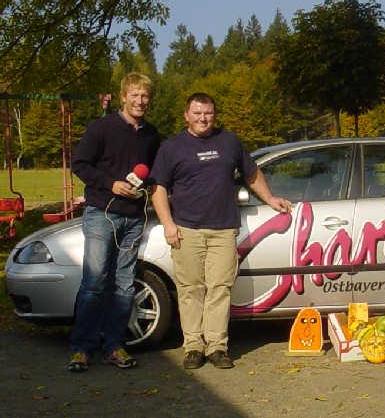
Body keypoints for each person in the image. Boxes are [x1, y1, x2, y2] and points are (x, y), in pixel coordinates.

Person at [150, 92, 291, 370]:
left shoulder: (229, 141)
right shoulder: (171, 147)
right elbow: (159, 188)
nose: (203, 118)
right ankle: (193, 346)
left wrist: (270, 198)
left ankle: (217, 347)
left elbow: (251, 174)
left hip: (224, 229)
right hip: (186, 229)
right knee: (190, 289)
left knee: (219, 289)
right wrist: (168, 224)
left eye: (208, 113)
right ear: (186, 115)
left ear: (214, 115)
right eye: (198, 113)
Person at [68, 72, 160, 372]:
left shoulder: (151, 135)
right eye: (135, 95)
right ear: (123, 97)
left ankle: (115, 347)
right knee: (94, 283)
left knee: (123, 286)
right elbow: (79, 165)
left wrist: (144, 188)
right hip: (101, 213)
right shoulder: (101, 128)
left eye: (145, 96)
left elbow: (156, 174)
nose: (140, 101)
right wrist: (111, 184)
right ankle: (82, 348)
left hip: (134, 219)